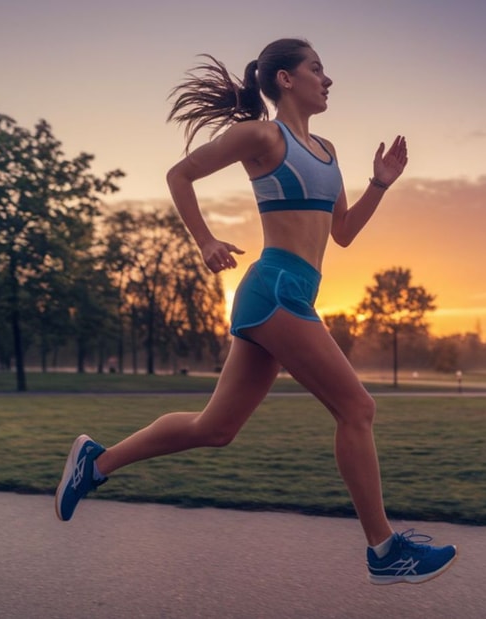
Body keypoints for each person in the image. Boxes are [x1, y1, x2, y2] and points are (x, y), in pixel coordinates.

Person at [55, 38, 457, 585]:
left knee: (215, 428)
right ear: (286, 80)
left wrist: (380, 186)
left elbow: (341, 235)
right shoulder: (263, 135)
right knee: (357, 409)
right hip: (274, 290)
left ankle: (95, 464)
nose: (328, 79)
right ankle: (385, 551)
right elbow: (180, 175)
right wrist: (204, 241)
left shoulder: (329, 151)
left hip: (289, 295)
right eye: (317, 69)